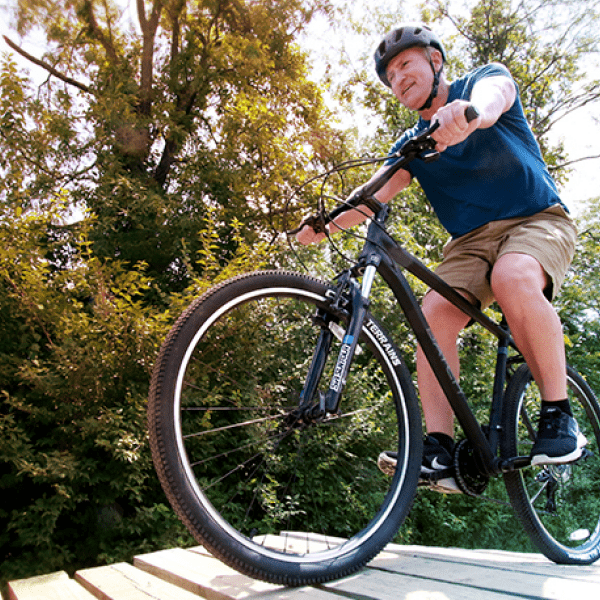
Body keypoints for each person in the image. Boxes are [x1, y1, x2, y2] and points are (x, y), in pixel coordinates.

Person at [296, 23, 586, 493]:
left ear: (435, 61)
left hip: (534, 219)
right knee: (432, 315)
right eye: (390, 77)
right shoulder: (412, 145)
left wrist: (468, 114)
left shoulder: (479, 84)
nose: (398, 80)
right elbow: (371, 195)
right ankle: (440, 450)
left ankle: (559, 415)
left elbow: (496, 97)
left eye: (404, 65)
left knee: (513, 276)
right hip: (470, 243)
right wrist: (325, 222)